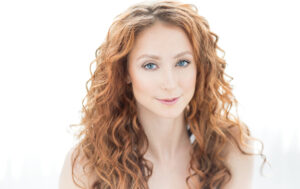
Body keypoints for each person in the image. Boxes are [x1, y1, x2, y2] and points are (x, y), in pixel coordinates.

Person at [59, 0, 267, 188]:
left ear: (200, 67)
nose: (170, 83)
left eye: (182, 62)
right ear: (125, 72)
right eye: (150, 65)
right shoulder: (86, 165)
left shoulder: (230, 148)